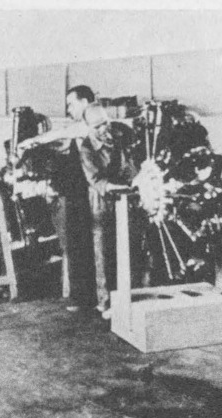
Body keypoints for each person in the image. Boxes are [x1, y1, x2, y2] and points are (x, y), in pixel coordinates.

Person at [15, 86, 97, 313]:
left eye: (71, 104)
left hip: (89, 194)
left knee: (81, 245)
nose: (68, 109)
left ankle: (85, 298)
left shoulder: (93, 122)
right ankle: (84, 296)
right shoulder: (82, 126)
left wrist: (32, 141)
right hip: (80, 193)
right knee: (78, 244)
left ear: (85, 102)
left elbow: (65, 134)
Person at [79, 104, 138, 318]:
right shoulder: (87, 147)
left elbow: (132, 162)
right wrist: (123, 186)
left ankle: (129, 298)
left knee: (129, 248)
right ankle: (105, 302)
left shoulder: (121, 134)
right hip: (102, 203)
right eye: (98, 126)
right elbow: (96, 180)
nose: (105, 128)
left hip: (126, 200)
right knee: (104, 252)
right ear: (88, 127)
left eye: (106, 122)